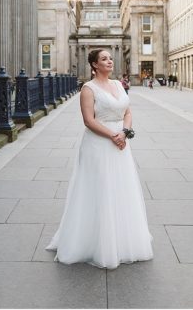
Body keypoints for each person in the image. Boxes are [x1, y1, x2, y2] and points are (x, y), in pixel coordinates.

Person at [46, 49, 152, 269]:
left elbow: (128, 112)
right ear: (94, 65)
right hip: (99, 143)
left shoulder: (118, 85)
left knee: (121, 188)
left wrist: (124, 132)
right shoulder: (88, 88)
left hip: (121, 142)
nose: (109, 61)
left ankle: (122, 239)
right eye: (104, 59)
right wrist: (113, 135)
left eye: (110, 58)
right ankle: (94, 242)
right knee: (99, 189)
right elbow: (88, 120)